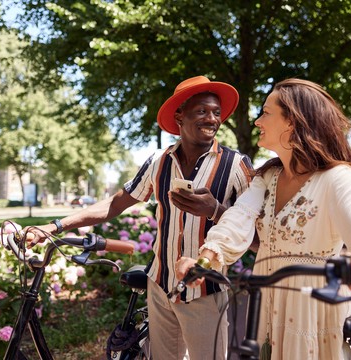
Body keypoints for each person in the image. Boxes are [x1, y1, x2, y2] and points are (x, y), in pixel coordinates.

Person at [24, 75, 255, 359]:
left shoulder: (236, 166)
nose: (212, 119)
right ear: (179, 116)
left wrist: (214, 211)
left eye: (216, 112)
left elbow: (257, 236)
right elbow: (115, 203)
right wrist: (56, 225)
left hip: (206, 293)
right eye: (202, 111)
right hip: (159, 288)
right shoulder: (158, 162)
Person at [175, 78, 351, 360]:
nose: (258, 121)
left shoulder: (337, 178)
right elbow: (240, 216)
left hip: (312, 308)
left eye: (266, 113)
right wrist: (206, 258)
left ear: (292, 122)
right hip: (266, 303)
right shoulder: (267, 177)